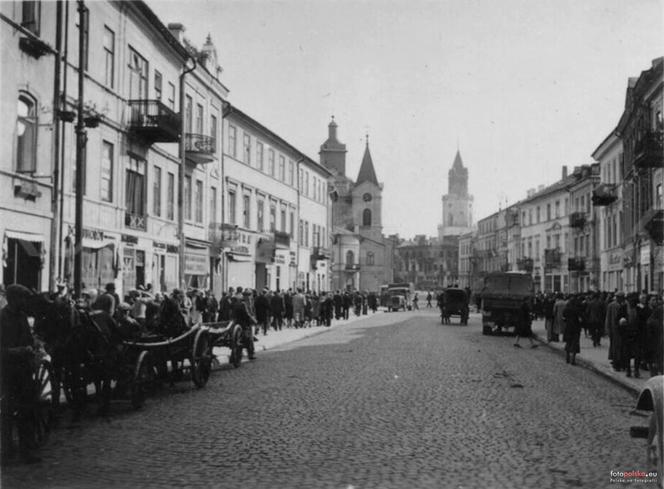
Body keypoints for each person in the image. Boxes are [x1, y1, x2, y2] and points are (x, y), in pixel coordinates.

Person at [0, 284, 41, 464]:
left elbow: (29, 340)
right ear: (13, 299)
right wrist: (18, 351)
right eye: (22, 298)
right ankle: (6, 451)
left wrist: (32, 348)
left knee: (28, 410)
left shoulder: (23, 317)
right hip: (6, 371)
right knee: (7, 413)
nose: (24, 302)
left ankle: (27, 451)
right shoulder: (2, 318)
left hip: (24, 370)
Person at [232, 288, 257, 360]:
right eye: (248, 295)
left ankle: (235, 356)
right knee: (249, 339)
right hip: (244, 323)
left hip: (240, 323)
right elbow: (247, 314)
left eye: (249, 295)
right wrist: (254, 321)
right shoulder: (243, 304)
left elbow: (251, 311)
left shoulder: (245, 302)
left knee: (237, 340)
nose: (249, 296)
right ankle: (250, 354)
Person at [563, 296, 583, 365]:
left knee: (568, 342)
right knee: (575, 344)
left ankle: (567, 357)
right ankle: (573, 359)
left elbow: (564, 318)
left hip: (568, 328)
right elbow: (580, 319)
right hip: (576, 328)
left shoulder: (566, 309)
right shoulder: (577, 310)